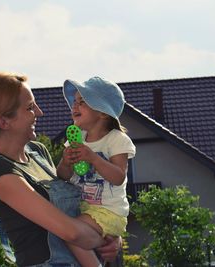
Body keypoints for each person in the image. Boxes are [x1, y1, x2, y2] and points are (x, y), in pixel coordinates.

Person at [0, 72, 121, 267]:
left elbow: (78, 212)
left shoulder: (37, 152)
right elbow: (71, 232)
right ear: (3, 121)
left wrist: (112, 235)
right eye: (30, 108)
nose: (40, 112)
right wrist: (102, 238)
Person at [57, 76, 136, 267]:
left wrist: (93, 158)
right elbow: (62, 176)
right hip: (85, 209)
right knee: (73, 236)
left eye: (82, 102)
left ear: (102, 113)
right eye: (74, 102)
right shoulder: (76, 139)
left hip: (108, 211)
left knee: (71, 233)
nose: (75, 106)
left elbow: (118, 177)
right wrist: (66, 163)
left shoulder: (116, 140)